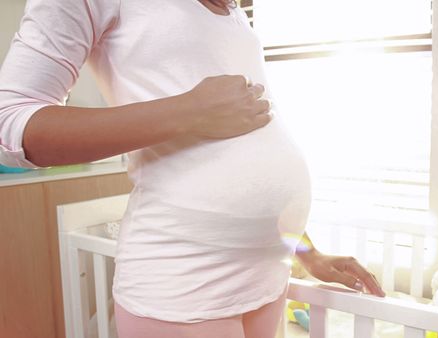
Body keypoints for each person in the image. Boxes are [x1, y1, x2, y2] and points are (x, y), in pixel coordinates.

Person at [0, 0, 385, 337]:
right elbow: (11, 123)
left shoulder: (236, 17)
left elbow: (255, 140)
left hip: (266, 281)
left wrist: (307, 252)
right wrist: (190, 111)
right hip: (186, 284)